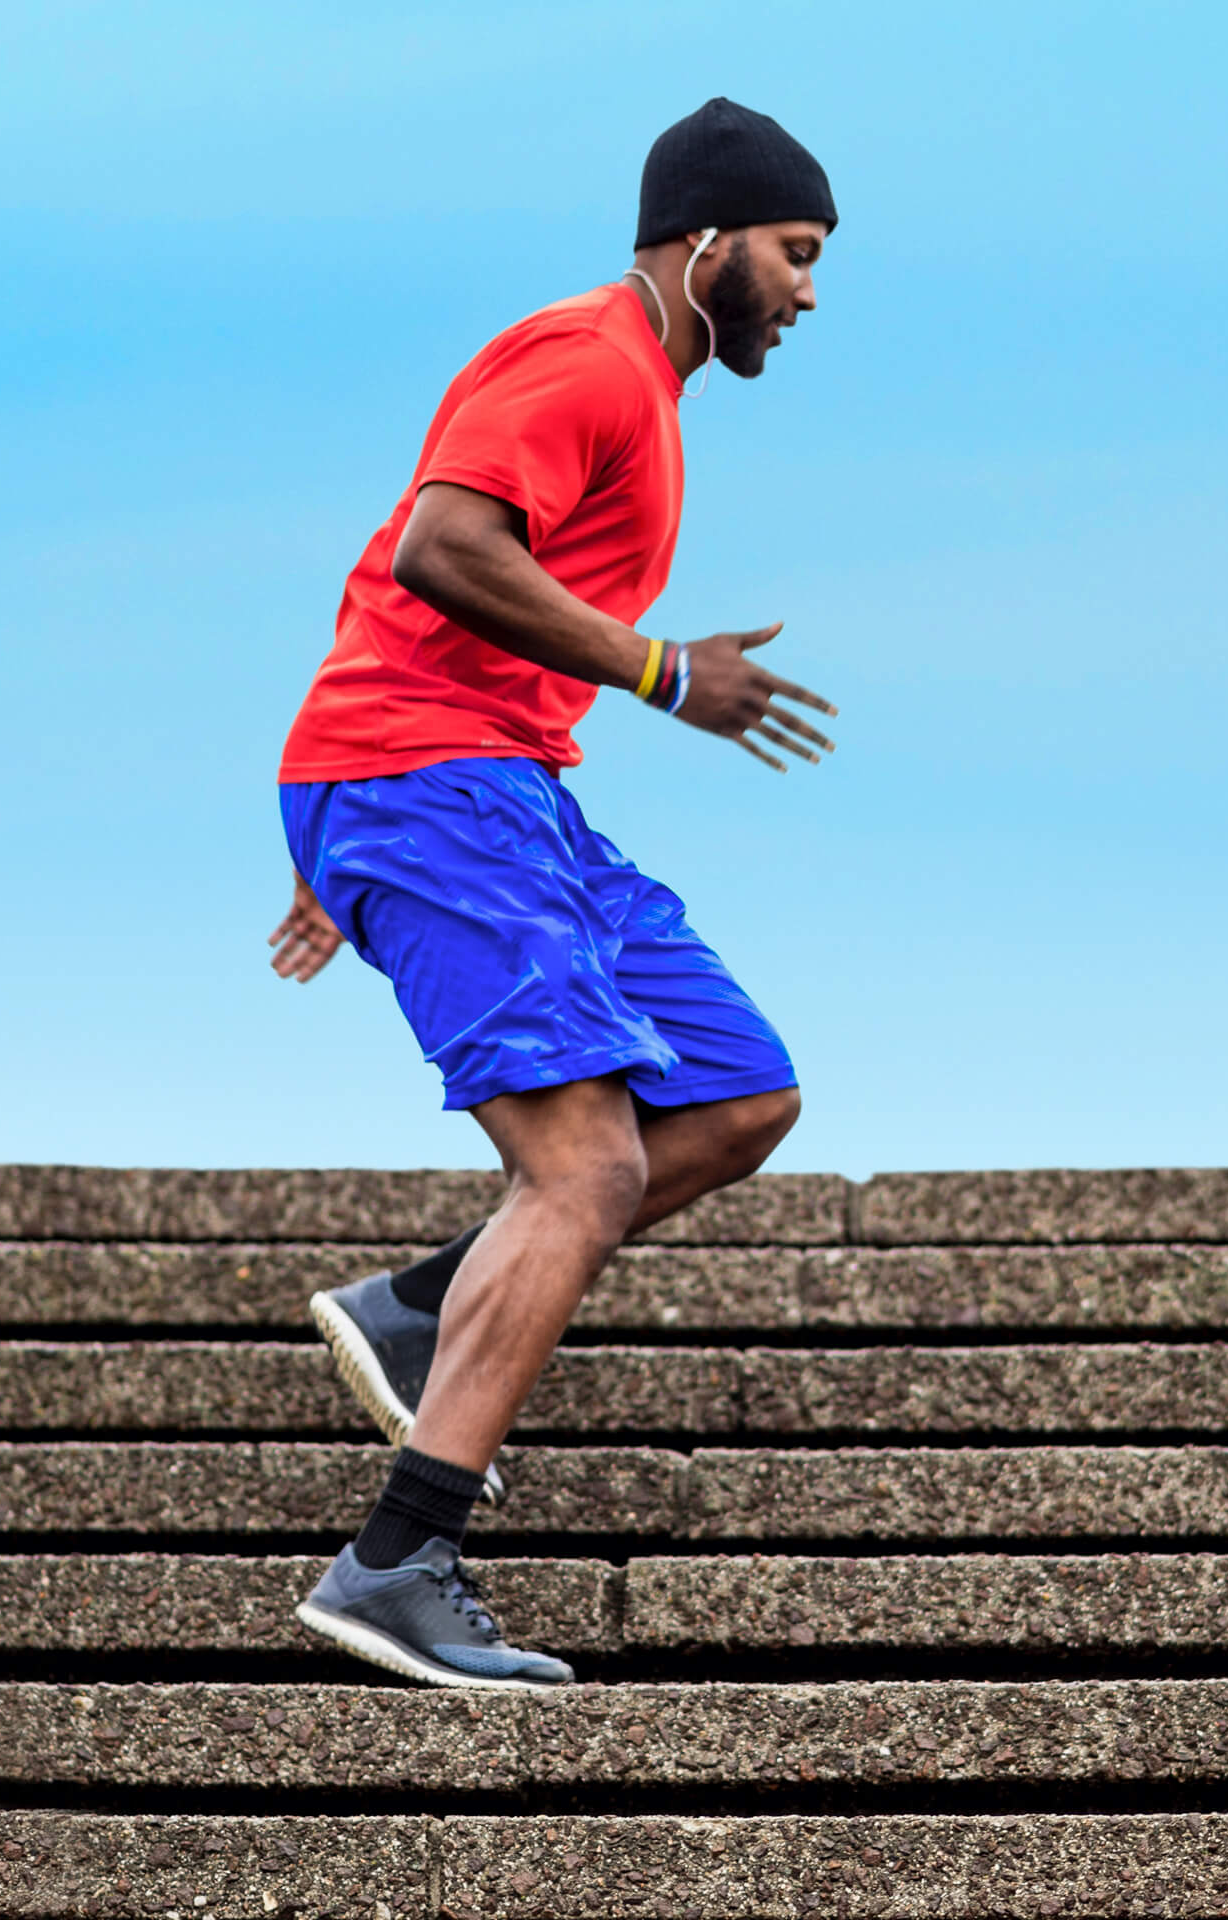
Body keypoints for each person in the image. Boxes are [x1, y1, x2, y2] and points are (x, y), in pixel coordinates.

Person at [270, 97, 839, 1689]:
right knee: (581, 1171)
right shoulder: (585, 357)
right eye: (796, 256)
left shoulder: (643, 393)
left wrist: (340, 844)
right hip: (426, 782)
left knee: (739, 1092)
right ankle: (399, 1561)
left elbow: (414, 566)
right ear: (707, 240)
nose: (805, 294)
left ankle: (417, 1310)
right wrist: (661, 672)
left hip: (487, 793)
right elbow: (442, 548)